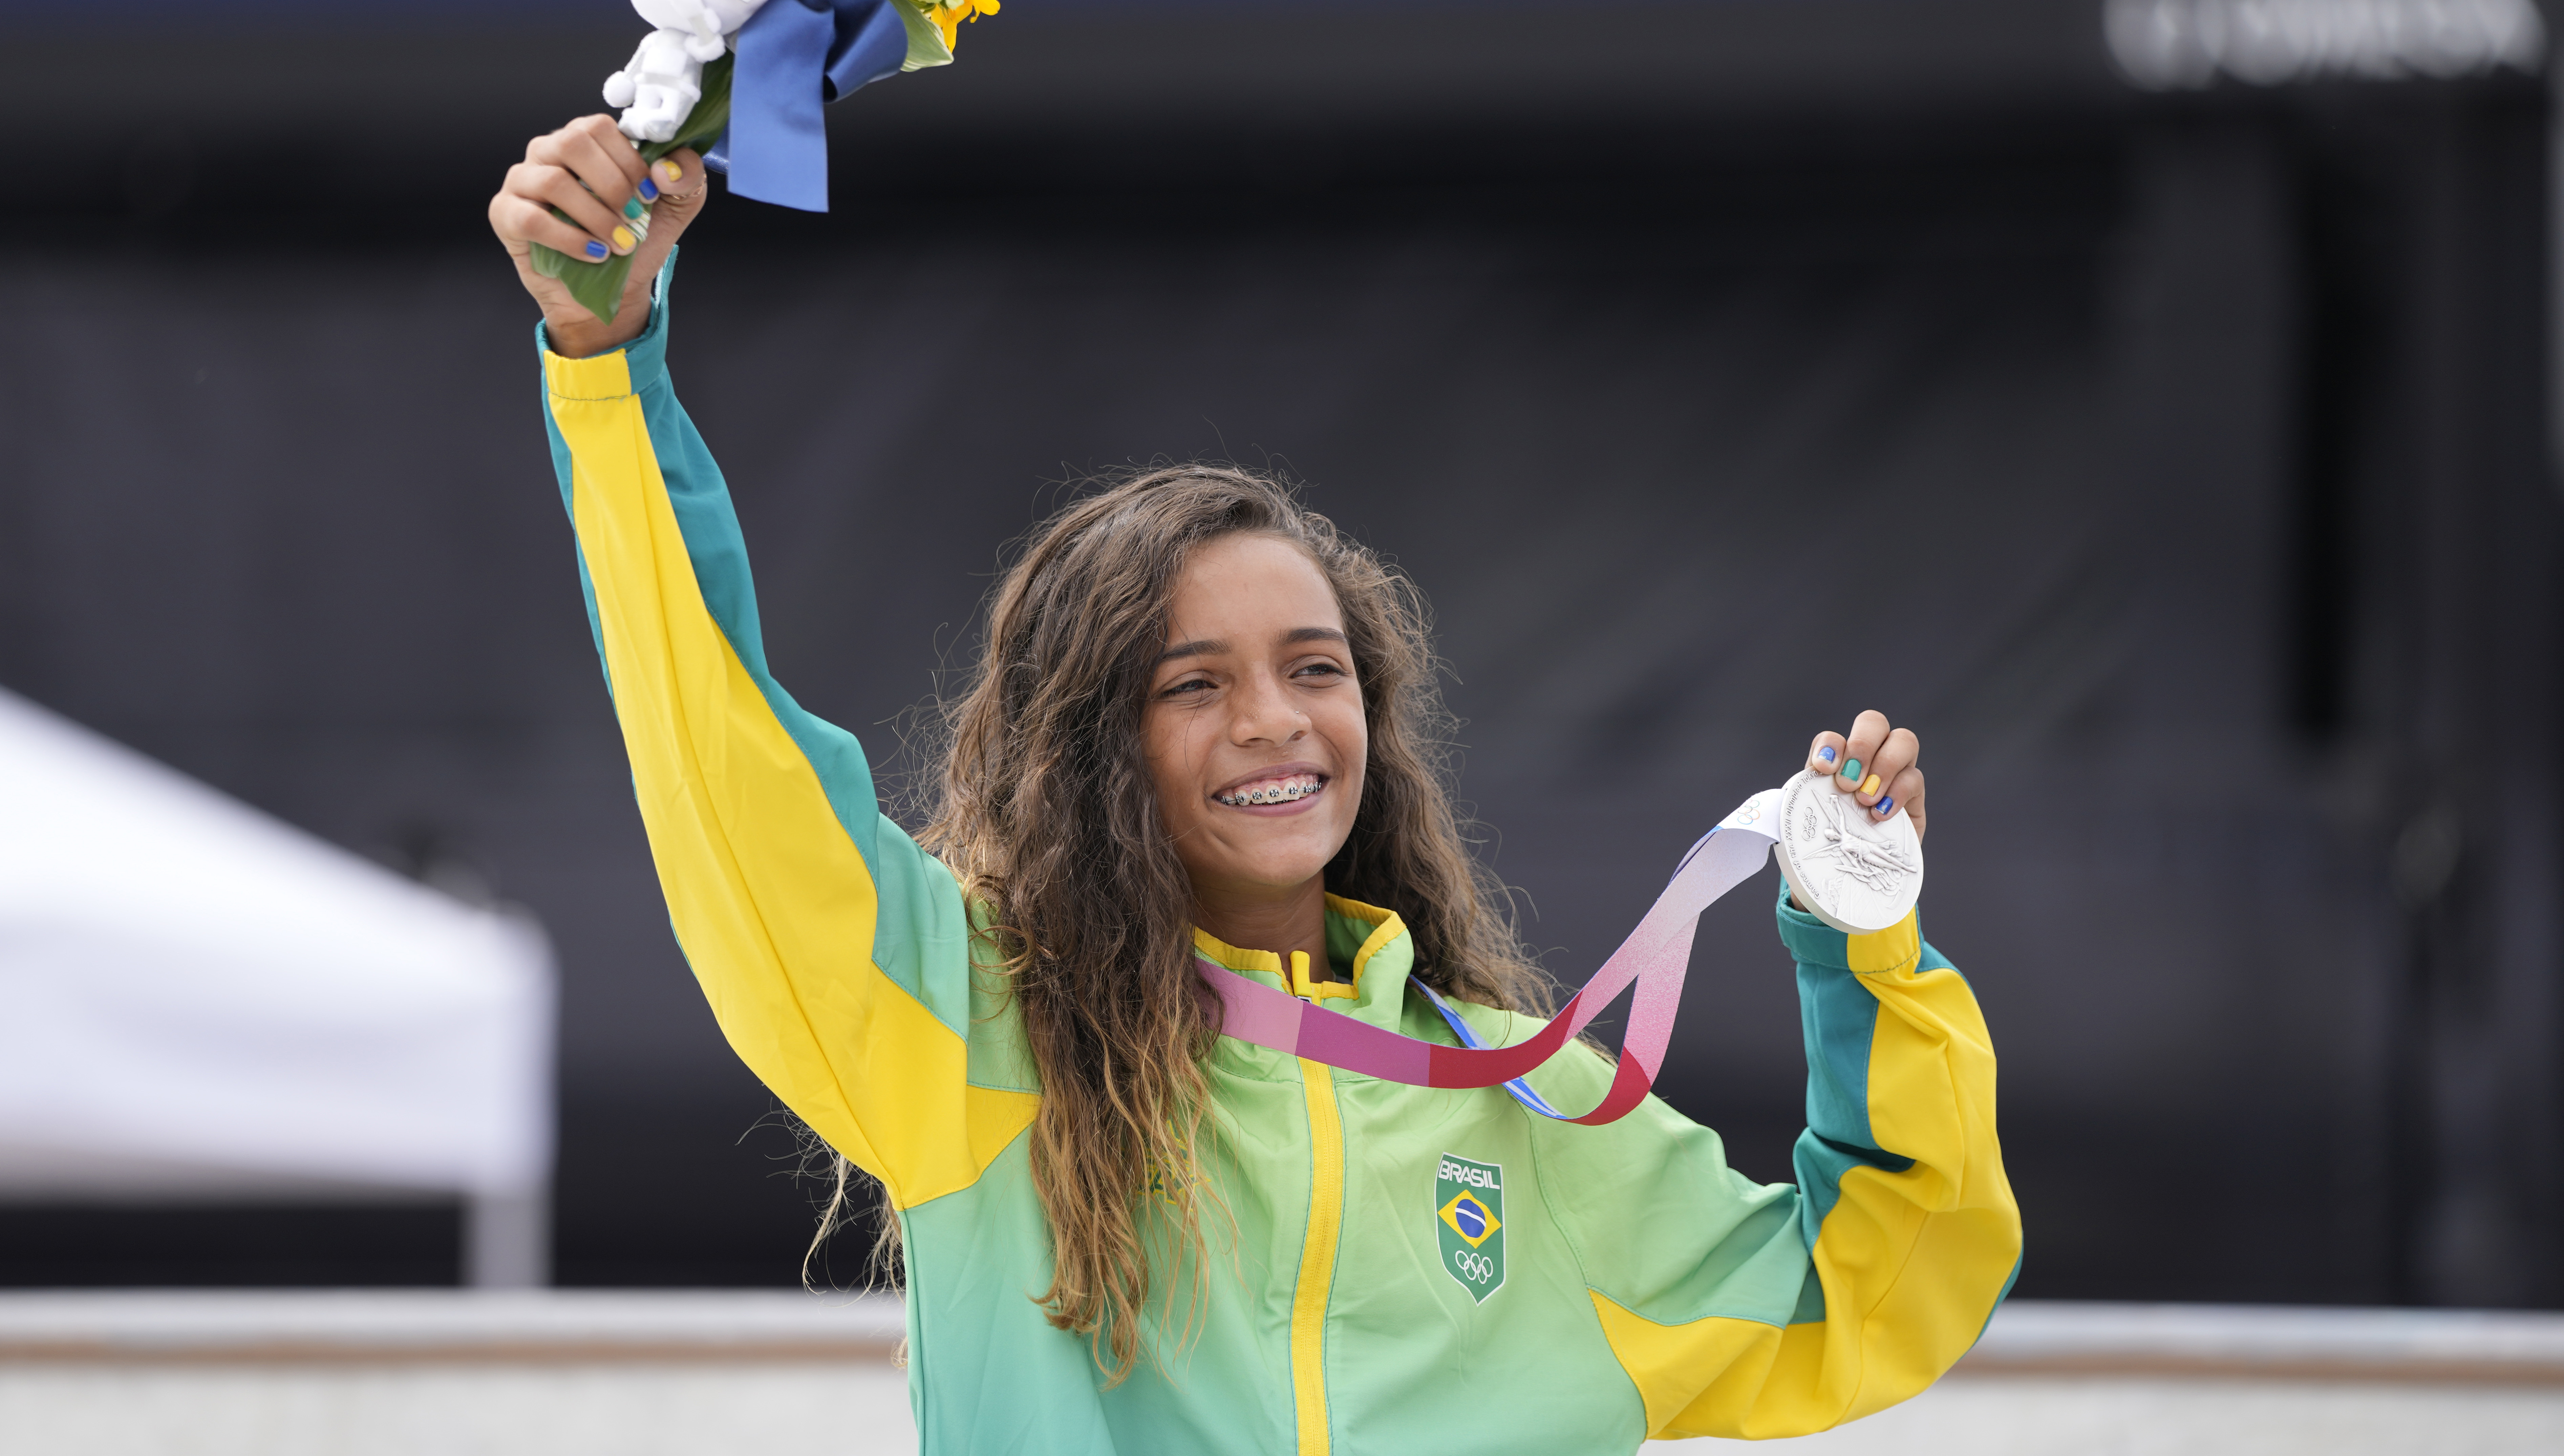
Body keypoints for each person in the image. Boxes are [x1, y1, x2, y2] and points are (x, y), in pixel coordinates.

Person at [488, 117, 2023, 1455]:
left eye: (1315, 666)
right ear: (1094, 745)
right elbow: (726, 760)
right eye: (1193, 684)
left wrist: (1860, 947)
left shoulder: (1534, 1105)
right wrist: (608, 374)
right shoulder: (967, 1031)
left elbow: (1868, 1288)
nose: (1275, 723)